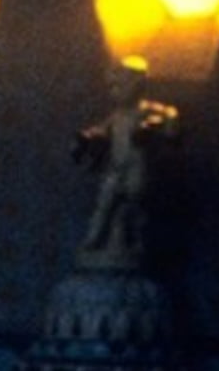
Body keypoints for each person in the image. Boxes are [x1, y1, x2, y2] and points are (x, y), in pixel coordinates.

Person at [72, 56, 180, 272]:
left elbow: (170, 119)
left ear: (137, 83)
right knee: (106, 204)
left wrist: (153, 125)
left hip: (136, 168)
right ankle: (95, 240)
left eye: (121, 84)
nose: (116, 90)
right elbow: (102, 131)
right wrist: (88, 139)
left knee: (131, 207)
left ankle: (131, 242)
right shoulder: (117, 116)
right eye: (114, 86)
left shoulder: (145, 111)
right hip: (116, 169)